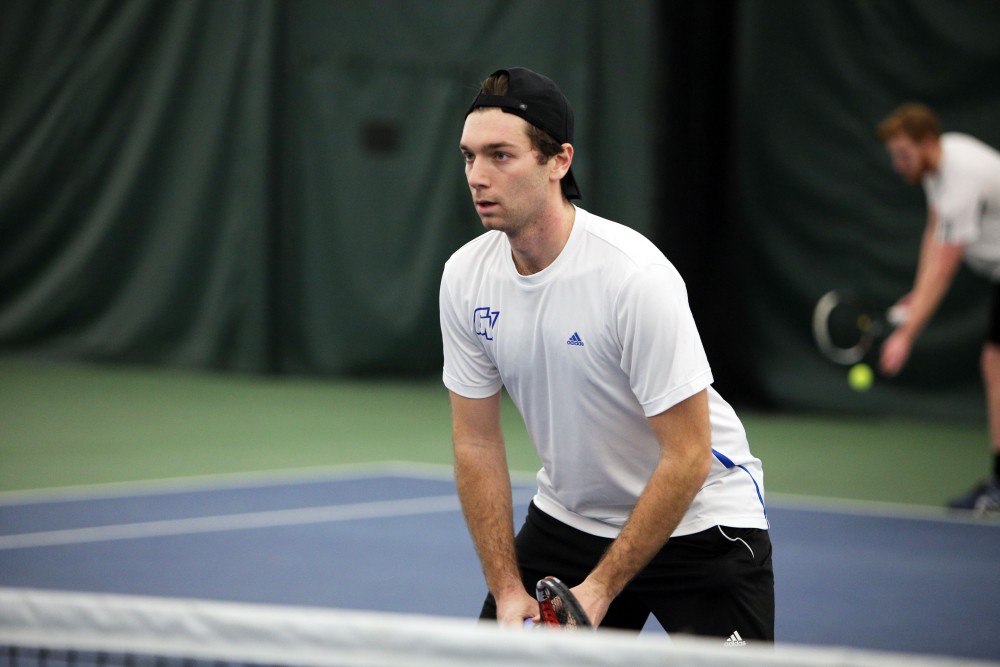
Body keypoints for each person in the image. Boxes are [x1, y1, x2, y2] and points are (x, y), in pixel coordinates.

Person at [439, 67, 773, 642]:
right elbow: (476, 442)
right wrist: (507, 589)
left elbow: (689, 455)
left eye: (500, 155)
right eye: (470, 157)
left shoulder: (633, 277)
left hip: (699, 520)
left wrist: (599, 589)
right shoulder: (465, 277)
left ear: (558, 162)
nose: (478, 176)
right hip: (570, 521)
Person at [877, 102, 1000, 513]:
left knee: (994, 363)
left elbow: (946, 267)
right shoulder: (941, 164)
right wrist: (916, 294)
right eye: (895, 156)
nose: (899, 165)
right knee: (994, 363)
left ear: (927, 143)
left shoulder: (961, 178)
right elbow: (935, 231)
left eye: (904, 155)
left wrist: (906, 335)